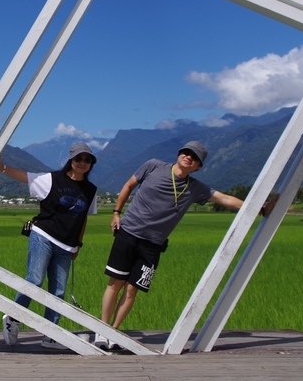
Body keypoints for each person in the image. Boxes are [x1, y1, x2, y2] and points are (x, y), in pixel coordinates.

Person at [95, 140, 270, 350]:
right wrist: (116, 212)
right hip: (129, 233)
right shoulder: (153, 166)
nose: (189, 157)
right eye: (187, 152)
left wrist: (259, 208)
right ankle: (102, 329)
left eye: (194, 157)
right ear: (179, 154)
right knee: (115, 283)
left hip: (153, 245)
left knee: (132, 290)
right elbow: (129, 185)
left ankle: (114, 331)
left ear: (198, 166)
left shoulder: (195, 188)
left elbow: (224, 199)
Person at [0, 142, 98, 349]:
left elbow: (83, 218)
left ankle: (50, 335)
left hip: (67, 246)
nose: (82, 163)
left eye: (87, 160)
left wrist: (78, 244)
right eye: (79, 159)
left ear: (91, 163)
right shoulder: (52, 179)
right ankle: (13, 319)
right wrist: (1, 167)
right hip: (43, 235)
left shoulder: (91, 190)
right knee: (34, 280)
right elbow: (25, 176)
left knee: (58, 291)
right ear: (71, 160)